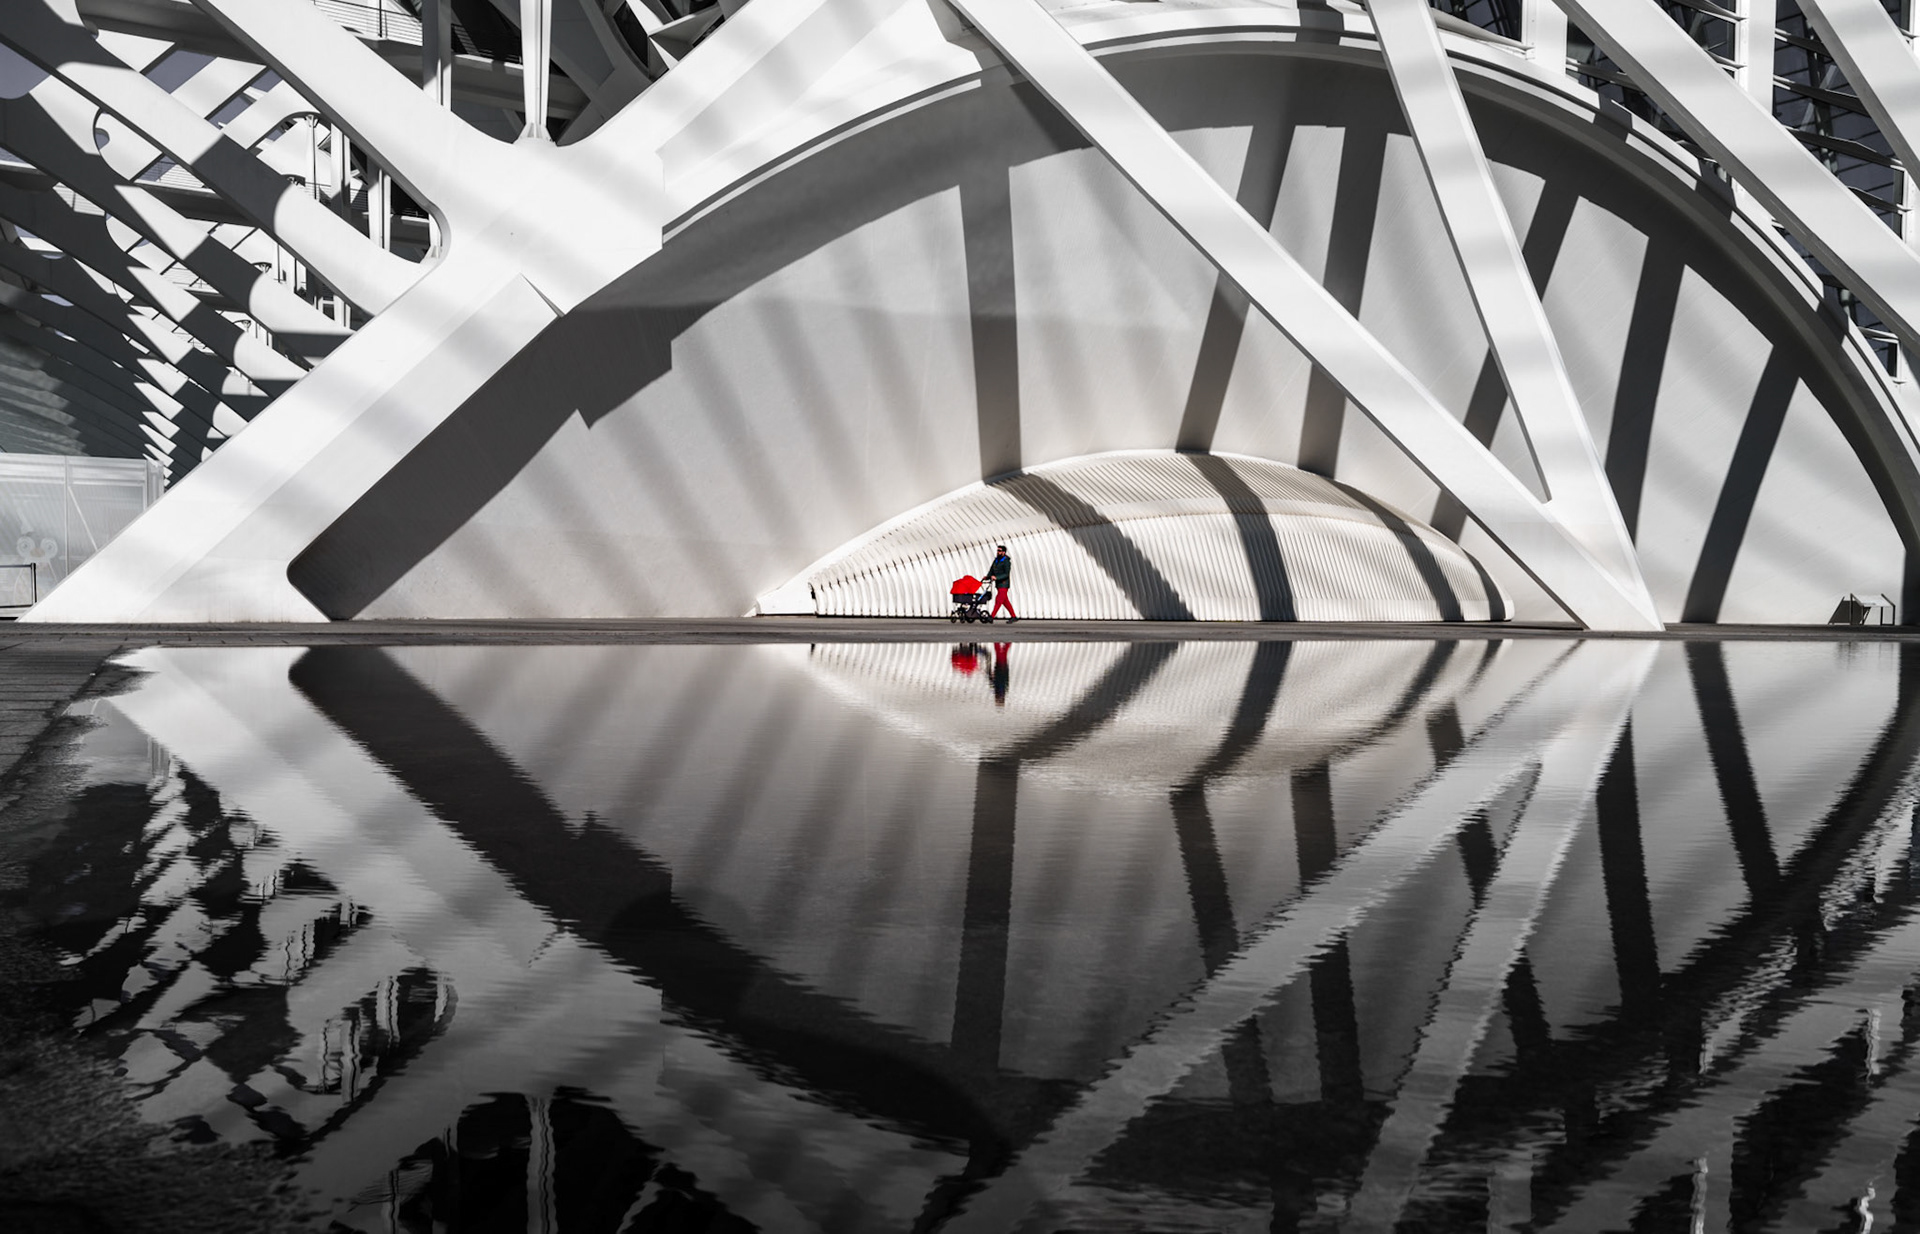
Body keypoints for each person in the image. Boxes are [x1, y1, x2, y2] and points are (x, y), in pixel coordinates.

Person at [985, 544, 1017, 622]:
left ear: (1003, 552)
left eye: (999, 551)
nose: (997, 552)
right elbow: (992, 570)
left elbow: (1006, 574)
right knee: (1005, 601)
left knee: (999, 600)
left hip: (1004, 584)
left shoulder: (1006, 562)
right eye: (997, 550)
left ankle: (991, 617)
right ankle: (1014, 616)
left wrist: (996, 577)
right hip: (998, 585)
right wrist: (987, 576)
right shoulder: (996, 560)